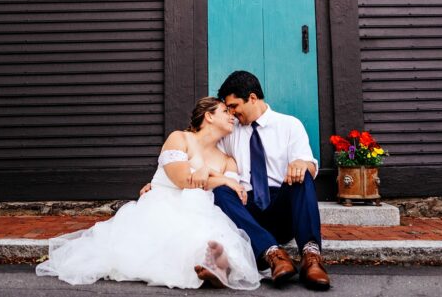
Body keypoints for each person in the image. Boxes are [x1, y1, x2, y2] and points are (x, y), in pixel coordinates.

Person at [36, 97, 261, 290]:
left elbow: (232, 193)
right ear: (209, 116)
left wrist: (215, 176)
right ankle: (209, 265)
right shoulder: (180, 138)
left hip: (201, 210)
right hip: (162, 206)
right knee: (185, 238)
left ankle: (216, 267)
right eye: (225, 111)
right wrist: (215, 175)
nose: (232, 116)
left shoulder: (227, 160)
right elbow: (183, 180)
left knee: (214, 236)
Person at [214, 70, 331, 291]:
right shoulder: (229, 132)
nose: (231, 113)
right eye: (228, 108)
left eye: (234, 106)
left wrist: (302, 164)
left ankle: (311, 257)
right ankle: (274, 255)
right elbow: (208, 161)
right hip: (247, 212)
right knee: (220, 190)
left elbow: (310, 163)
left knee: (302, 175)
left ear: (252, 98)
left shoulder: (289, 125)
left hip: (281, 209)